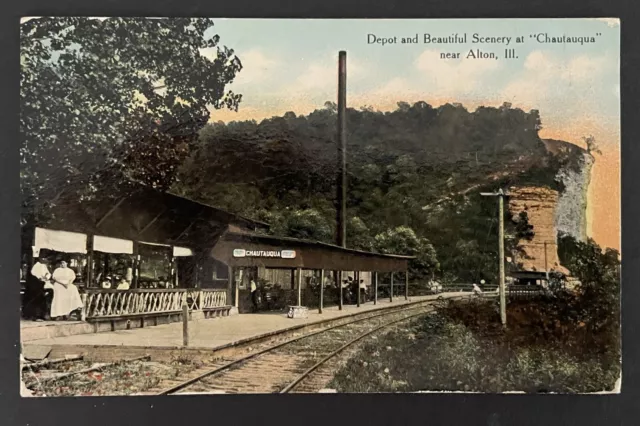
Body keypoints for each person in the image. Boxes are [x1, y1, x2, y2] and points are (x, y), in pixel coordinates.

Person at [24, 257, 51, 321]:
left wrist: (46, 277)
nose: (44, 260)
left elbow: (48, 274)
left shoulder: (44, 266)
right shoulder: (36, 266)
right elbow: (35, 274)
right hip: (36, 285)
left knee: (43, 300)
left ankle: (42, 315)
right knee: (37, 300)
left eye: (45, 259)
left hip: (43, 284)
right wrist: (40, 278)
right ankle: (37, 316)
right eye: (43, 259)